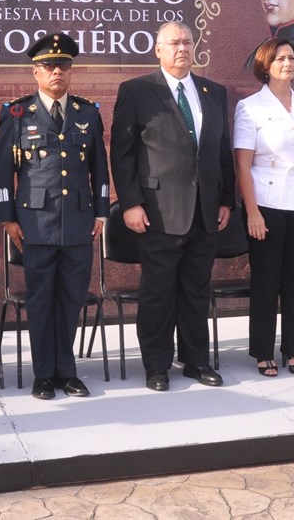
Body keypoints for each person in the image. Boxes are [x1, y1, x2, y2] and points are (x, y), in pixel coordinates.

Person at [109, 21, 234, 391]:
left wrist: (227, 199)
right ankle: (157, 366)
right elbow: (123, 152)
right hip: (157, 210)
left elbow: (221, 150)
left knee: (197, 289)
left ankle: (196, 361)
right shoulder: (136, 91)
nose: (182, 48)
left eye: (187, 42)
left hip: (205, 210)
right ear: (158, 50)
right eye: (174, 43)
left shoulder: (213, 91)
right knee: (158, 291)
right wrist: (130, 203)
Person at [0, 33, 109, 399]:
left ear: (70, 71)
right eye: (48, 66)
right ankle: (43, 375)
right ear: (36, 72)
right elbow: (2, 173)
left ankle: (68, 372)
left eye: (63, 66)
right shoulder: (16, 113)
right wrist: (7, 218)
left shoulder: (87, 113)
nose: (56, 72)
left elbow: (99, 169)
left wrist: (102, 212)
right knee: (41, 301)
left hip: (78, 221)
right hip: (35, 224)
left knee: (71, 299)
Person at [233, 38, 294, 377]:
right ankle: (263, 351)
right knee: (266, 280)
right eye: (279, 58)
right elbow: (243, 165)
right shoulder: (250, 108)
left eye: (291, 58)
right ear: (266, 65)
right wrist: (253, 212)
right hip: (268, 203)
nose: (287, 63)